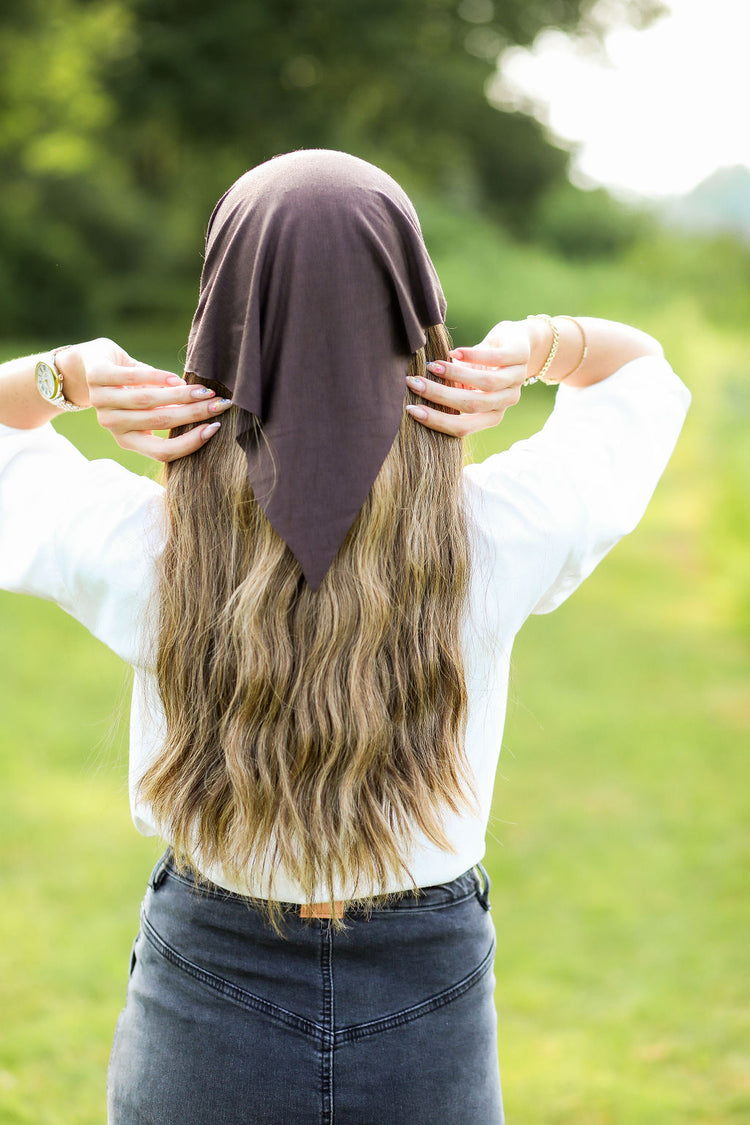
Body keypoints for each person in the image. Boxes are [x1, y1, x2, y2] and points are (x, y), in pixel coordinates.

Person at [0, 150, 689, 1125]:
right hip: (428, 986)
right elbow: (641, 376)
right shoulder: (497, 531)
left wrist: (61, 377)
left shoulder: (143, 547)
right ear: (415, 314)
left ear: (220, 321)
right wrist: (538, 346)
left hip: (209, 971)